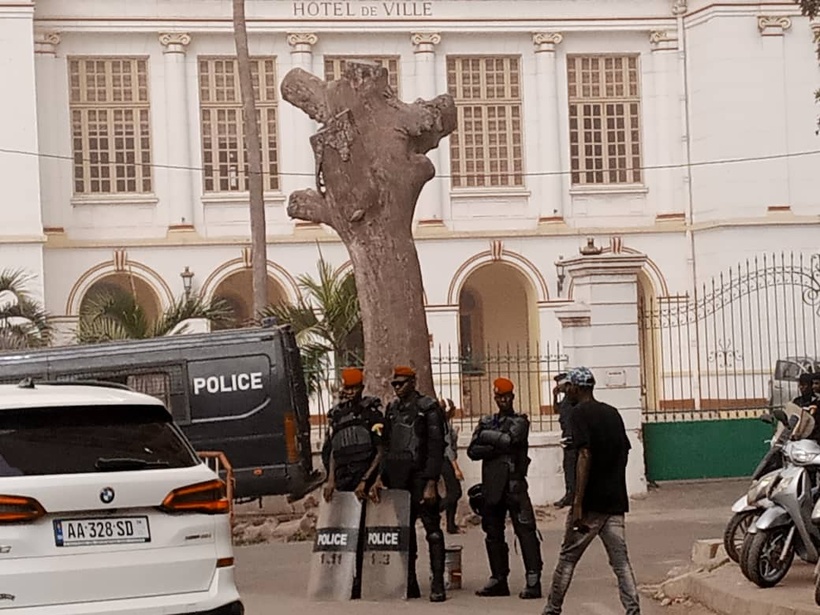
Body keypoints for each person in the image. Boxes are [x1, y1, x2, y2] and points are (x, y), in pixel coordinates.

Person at [543, 367, 641, 615]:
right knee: (620, 562)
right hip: (614, 500)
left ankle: (552, 609)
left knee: (568, 558)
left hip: (590, 504)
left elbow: (585, 454)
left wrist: (578, 503)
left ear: (576, 388)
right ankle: (633, 610)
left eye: (568, 387)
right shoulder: (612, 413)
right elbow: (623, 451)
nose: (566, 391)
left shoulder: (579, 414)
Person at [369, 366, 447, 603]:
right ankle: (409, 581)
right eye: (395, 384)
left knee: (433, 531)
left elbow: (436, 447)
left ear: (413, 382)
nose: (397, 387)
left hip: (421, 476)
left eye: (401, 383)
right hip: (399, 478)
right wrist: (381, 477)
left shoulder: (428, 408)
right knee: (405, 532)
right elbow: (387, 447)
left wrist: (431, 481)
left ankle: (437, 582)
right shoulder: (392, 409)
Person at [467, 377, 543, 600]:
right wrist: (495, 445)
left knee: (526, 532)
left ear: (513, 397)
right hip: (492, 486)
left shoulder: (520, 421)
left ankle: (533, 578)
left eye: (507, 396)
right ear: (495, 397)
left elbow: (511, 441)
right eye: (500, 397)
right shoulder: (487, 420)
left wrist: (486, 437)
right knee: (493, 533)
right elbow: (473, 451)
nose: (504, 400)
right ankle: (498, 578)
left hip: (514, 485)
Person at [321, 367, 384, 599]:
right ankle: (344, 579)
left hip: (363, 478)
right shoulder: (337, 415)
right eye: (347, 388)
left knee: (365, 532)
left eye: (353, 388)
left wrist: (367, 480)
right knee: (343, 533)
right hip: (343, 479)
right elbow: (333, 450)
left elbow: (381, 450)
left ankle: (363, 580)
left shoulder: (372, 413)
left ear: (361, 388)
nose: (349, 392)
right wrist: (330, 479)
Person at [440, 398, 464, 534]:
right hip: (446, 461)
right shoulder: (443, 426)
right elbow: (448, 449)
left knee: (452, 492)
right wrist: (456, 469)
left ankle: (451, 525)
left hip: (446, 460)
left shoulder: (446, 424)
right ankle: (434, 509)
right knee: (455, 492)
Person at [553, 372, 576, 509]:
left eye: (559, 385)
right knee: (568, 468)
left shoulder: (573, 400)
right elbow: (557, 410)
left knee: (573, 468)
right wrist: (554, 397)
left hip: (573, 439)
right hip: (567, 438)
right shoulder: (566, 400)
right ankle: (569, 494)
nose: (558, 387)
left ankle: (573, 496)